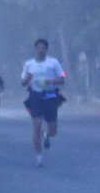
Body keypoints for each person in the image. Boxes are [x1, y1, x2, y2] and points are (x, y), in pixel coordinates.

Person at [19, 38, 66, 166]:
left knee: (53, 130)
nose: (41, 50)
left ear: (46, 50)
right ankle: (39, 156)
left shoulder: (53, 63)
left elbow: (62, 79)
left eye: (43, 48)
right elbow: (23, 83)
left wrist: (51, 81)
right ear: (35, 49)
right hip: (36, 96)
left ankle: (46, 135)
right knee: (37, 125)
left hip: (50, 96)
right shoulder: (29, 64)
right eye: (38, 48)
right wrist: (28, 78)